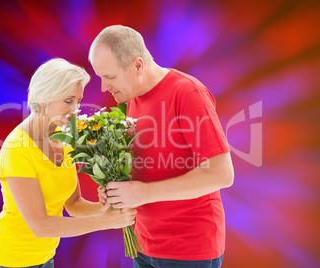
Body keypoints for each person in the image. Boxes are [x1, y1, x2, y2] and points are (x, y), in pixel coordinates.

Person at [89, 25, 234, 268]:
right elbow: (151, 163)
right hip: (144, 245)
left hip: (188, 251)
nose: (104, 87)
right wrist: (116, 190)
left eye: (110, 77)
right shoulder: (132, 96)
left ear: (137, 66)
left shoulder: (187, 93)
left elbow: (222, 174)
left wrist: (143, 193)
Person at [0, 58, 136, 268]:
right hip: (7, 260)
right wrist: (105, 222)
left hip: (45, 259)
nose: (76, 109)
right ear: (44, 98)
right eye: (68, 100)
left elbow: (73, 204)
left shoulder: (63, 139)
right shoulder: (17, 149)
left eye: (79, 100)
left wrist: (106, 208)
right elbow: (41, 226)